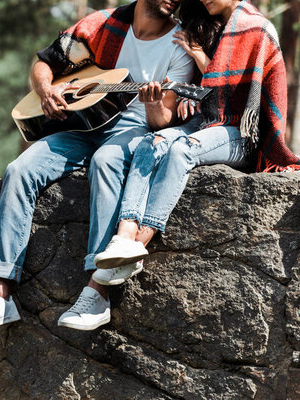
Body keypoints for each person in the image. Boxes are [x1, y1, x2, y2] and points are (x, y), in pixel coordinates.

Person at [0, 0, 196, 334]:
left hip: (133, 128)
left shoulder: (180, 44)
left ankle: (97, 293)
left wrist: (154, 104)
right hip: (80, 124)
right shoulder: (103, 25)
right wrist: (46, 89)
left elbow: (163, 122)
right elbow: (45, 61)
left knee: (106, 161)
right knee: (20, 169)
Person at [92, 0, 300, 274]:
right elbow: (208, 96)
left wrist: (203, 62)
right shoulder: (205, 27)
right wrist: (191, 101)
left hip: (242, 134)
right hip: (207, 125)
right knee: (150, 142)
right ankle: (123, 237)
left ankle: (139, 245)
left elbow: (239, 103)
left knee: (181, 150)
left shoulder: (256, 28)